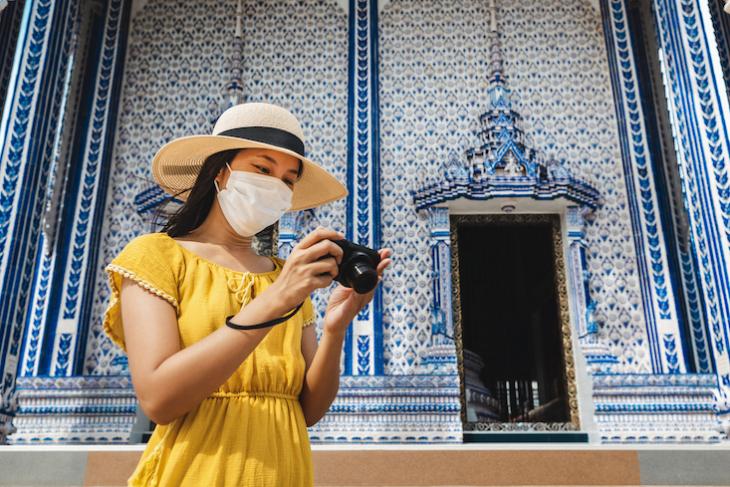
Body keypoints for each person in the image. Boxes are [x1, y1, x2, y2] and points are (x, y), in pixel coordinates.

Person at [101, 102, 392, 486]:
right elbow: (159, 398)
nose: (276, 185)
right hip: (195, 473)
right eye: (262, 168)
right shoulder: (156, 257)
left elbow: (307, 410)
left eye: (288, 179)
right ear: (220, 170)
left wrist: (336, 329)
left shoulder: (284, 279)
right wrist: (276, 300)